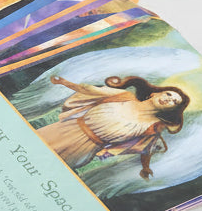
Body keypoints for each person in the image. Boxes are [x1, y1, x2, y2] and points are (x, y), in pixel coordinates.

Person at [37, 75, 189, 180]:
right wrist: (64, 82)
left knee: (45, 170)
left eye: (174, 102)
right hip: (65, 129)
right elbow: (91, 90)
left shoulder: (151, 127)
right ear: (154, 94)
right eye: (168, 94)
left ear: (170, 110)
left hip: (84, 149)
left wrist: (145, 168)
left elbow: (146, 150)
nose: (168, 100)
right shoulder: (124, 96)